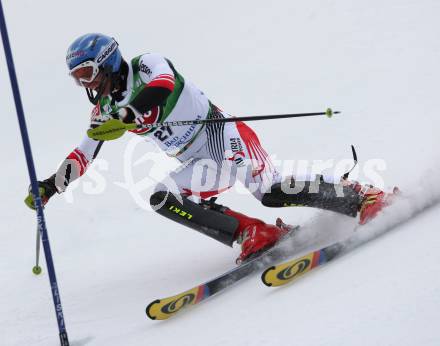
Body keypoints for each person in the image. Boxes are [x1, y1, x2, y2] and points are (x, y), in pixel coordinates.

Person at [25, 33, 393, 263]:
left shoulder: (146, 65)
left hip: (221, 134)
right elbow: (83, 153)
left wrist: (129, 112)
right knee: (160, 196)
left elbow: (165, 86)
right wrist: (50, 186)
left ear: (107, 63)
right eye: (77, 79)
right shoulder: (102, 110)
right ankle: (253, 234)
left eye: (86, 74)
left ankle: (362, 196)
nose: (85, 85)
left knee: (271, 191)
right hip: (195, 160)